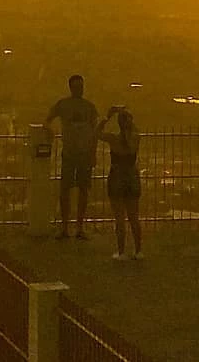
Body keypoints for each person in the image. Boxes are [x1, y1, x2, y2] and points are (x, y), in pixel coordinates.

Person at [44, 75, 99, 240]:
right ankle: (65, 227)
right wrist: (49, 130)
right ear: (71, 88)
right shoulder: (64, 105)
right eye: (76, 86)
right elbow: (47, 121)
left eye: (80, 86)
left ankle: (79, 227)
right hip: (69, 153)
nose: (79, 89)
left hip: (83, 154)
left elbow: (94, 133)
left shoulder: (89, 107)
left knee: (82, 190)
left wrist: (93, 153)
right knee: (65, 191)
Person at [96, 105, 143, 260]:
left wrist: (108, 116)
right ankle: (138, 250)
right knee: (134, 216)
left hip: (117, 176)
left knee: (119, 217)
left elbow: (96, 133)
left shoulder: (113, 138)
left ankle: (121, 251)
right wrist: (127, 116)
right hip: (132, 176)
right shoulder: (136, 137)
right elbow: (135, 129)